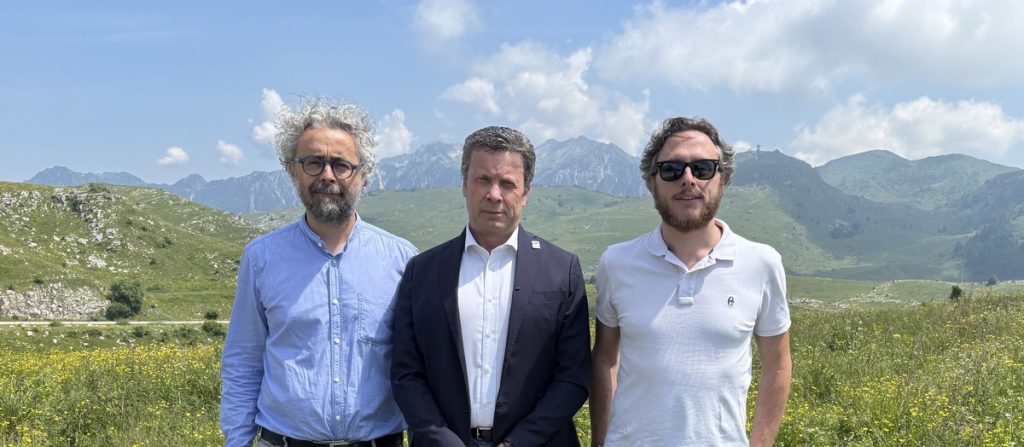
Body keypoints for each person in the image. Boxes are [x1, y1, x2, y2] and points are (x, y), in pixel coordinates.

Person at [220, 98, 417, 447]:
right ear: (292, 171)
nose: (327, 175)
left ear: (363, 175)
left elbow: (419, 369)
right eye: (313, 162)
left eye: (341, 165)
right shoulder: (261, 258)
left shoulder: (402, 260)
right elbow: (244, 361)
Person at [590, 117, 792, 446]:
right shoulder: (616, 263)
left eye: (702, 168)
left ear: (722, 178)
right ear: (652, 181)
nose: (688, 179)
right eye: (671, 169)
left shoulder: (761, 263)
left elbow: (778, 366)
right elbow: (604, 360)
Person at [391, 126, 591, 447]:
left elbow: (573, 377)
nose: (494, 194)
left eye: (507, 183)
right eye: (483, 179)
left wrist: (519, 442)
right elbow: (406, 373)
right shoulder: (423, 271)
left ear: (526, 192)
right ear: (464, 184)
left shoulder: (562, 270)